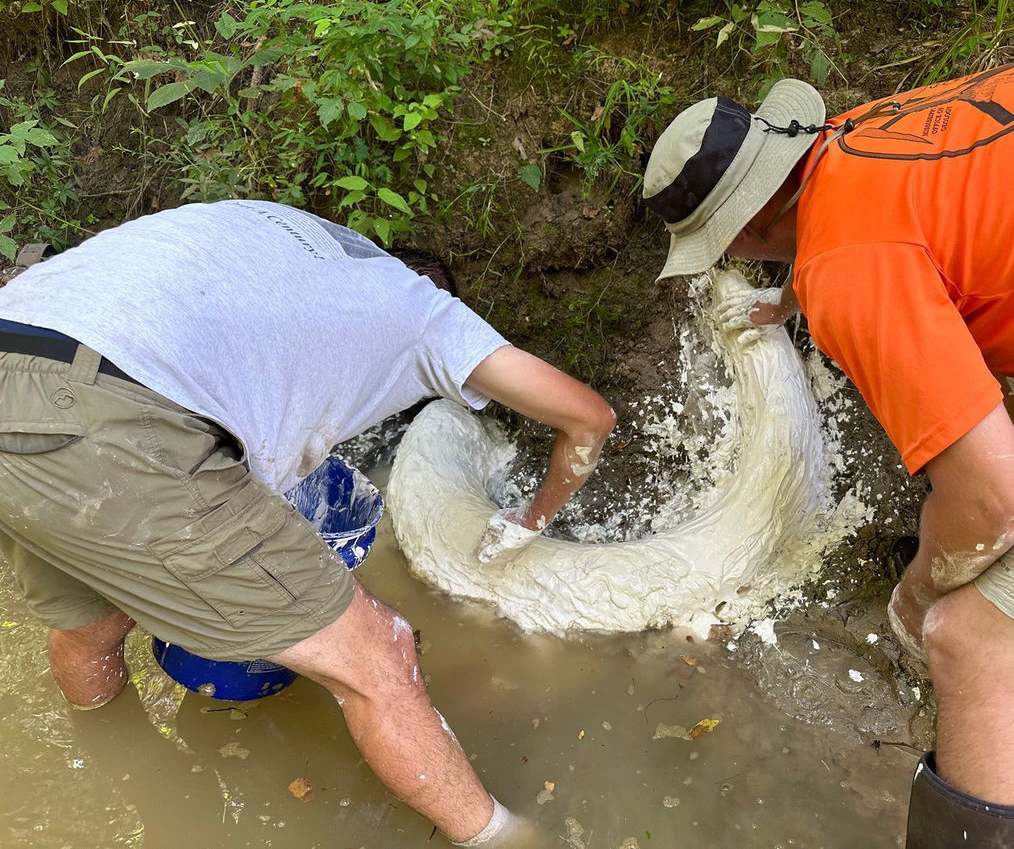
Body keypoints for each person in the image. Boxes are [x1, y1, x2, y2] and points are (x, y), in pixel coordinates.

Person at [641, 56, 1014, 847]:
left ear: (747, 228)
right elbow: (877, 236)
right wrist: (808, 284)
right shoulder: (866, 133)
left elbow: (1000, 499)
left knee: (972, 647)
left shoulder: (849, 264)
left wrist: (921, 589)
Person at [0, 199, 614, 846]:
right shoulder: (427, 316)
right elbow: (589, 418)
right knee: (380, 657)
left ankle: (108, 752)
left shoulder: (293, 244)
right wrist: (529, 519)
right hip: (113, 413)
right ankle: (507, 840)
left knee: (89, 625)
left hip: (23, 352)